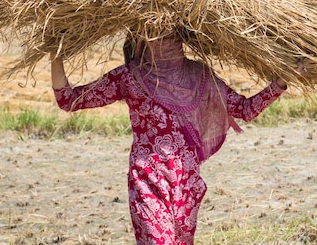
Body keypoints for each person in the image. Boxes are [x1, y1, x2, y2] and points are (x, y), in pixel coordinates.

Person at [50, 33, 296, 245]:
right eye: (156, 32)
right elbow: (69, 99)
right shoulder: (130, 77)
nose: (164, 39)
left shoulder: (199, 75)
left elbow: (246, 109)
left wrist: (282, 81)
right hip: (147, 179)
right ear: (142, 37)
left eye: (171, 32)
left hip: (185, 183)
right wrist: (54, 53)